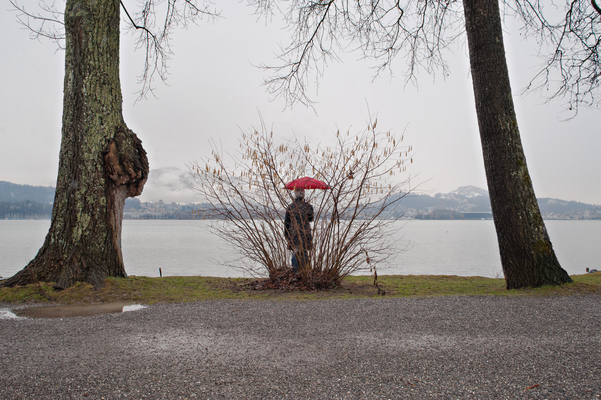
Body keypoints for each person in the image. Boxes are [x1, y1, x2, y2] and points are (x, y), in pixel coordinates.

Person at [284, 188, 314, 273]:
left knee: (295, 251)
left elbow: (286, 223)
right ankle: (304, 271)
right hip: (305, 232)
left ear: (295, 194)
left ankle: (295, 272)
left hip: (293, 233)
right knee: (304, 251)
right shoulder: (308, 206)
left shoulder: (290, 207)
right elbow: (311, 219)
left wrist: (287, 235)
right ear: (303, 194)